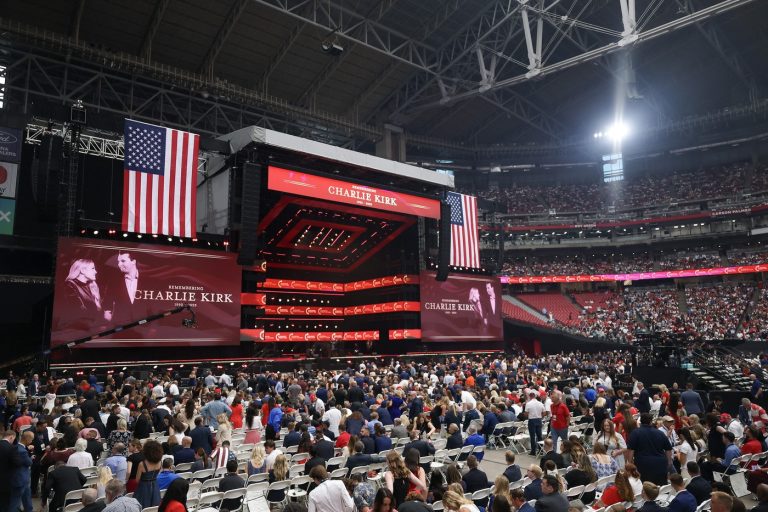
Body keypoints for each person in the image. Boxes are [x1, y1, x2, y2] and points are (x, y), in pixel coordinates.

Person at [626, 413, 673, 485]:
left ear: (640, 421)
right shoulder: (660, 433)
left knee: (646, 488)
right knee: (661, 488)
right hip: (660, 464)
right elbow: (668, 449)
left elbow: (630, 450)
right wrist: (669, 462)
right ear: (651, 422)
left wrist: (629, 463)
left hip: (643, 465)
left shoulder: (635, 433)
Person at [64, 258, 108, 325]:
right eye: (93, 268)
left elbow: (99, 307)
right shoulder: (69, 286)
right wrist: (103, 315)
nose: (96, 271)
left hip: (94, 325)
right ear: (83, 270)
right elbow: (79, 311)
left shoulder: (92, 284)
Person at [133, 439, 163, 508]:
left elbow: (137, 480)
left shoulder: (142, 464)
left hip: (143, 488)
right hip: (155, 486)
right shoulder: (160, 462)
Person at [10, 430, 34, 512]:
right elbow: (29, 462)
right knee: (15, 503)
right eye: (31, 439)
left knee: (27, 499)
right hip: (21, 479)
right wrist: (30, 458)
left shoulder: (16, 447)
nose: (32, 441)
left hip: (21, 478)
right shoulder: (23, 451)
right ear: (27, 439)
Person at [0, 429, 20, 511]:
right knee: (4, 503)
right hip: (5, 481)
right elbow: (17, 463)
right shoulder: (12, 448)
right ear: (11, 437)